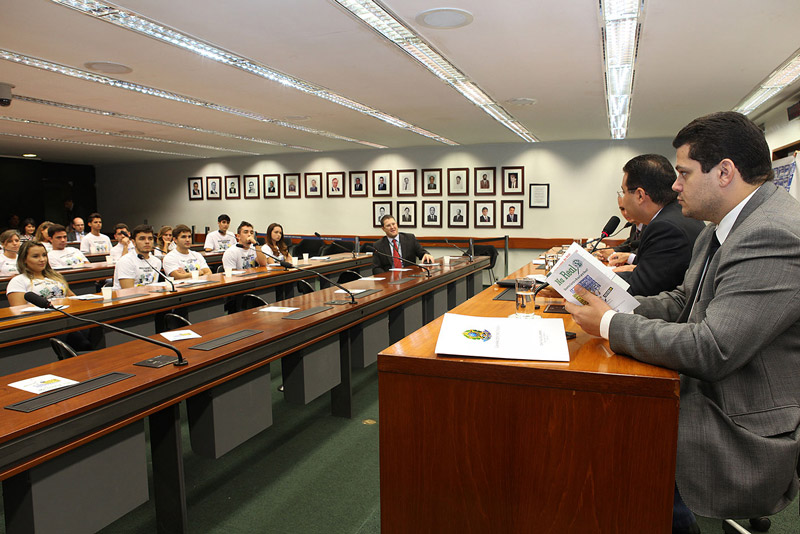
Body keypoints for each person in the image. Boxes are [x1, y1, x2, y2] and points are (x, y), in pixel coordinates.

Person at [566, 112, 800, 533]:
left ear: (724, 172)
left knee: (612, 432)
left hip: (737, 424)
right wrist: (615, 308)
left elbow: (711, 349)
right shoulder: (718, 229)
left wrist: (609, 326)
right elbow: (682, 301)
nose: (674, 187)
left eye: (684, 174)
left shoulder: (773, 233)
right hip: (715, 392)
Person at [607, 154, 705, 296]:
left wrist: (592, 279)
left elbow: (640, 289)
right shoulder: (677, 214)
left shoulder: (665, 227)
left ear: (640, 195)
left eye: (624, 191)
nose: (623, 199)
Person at [6, 240, 75, 306]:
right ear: (24, 260)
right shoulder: (18, 281)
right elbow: (19, 311)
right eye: (35, 256)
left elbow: (73, 298)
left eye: (44, 255)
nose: (42, 259)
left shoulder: (56, 276)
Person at [112, 225, 162, 289]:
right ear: (134, 242)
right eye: (142, 239)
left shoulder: (157, 261)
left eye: (150, 239)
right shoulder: (125, 261)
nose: (147, 242)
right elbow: (128, 290)